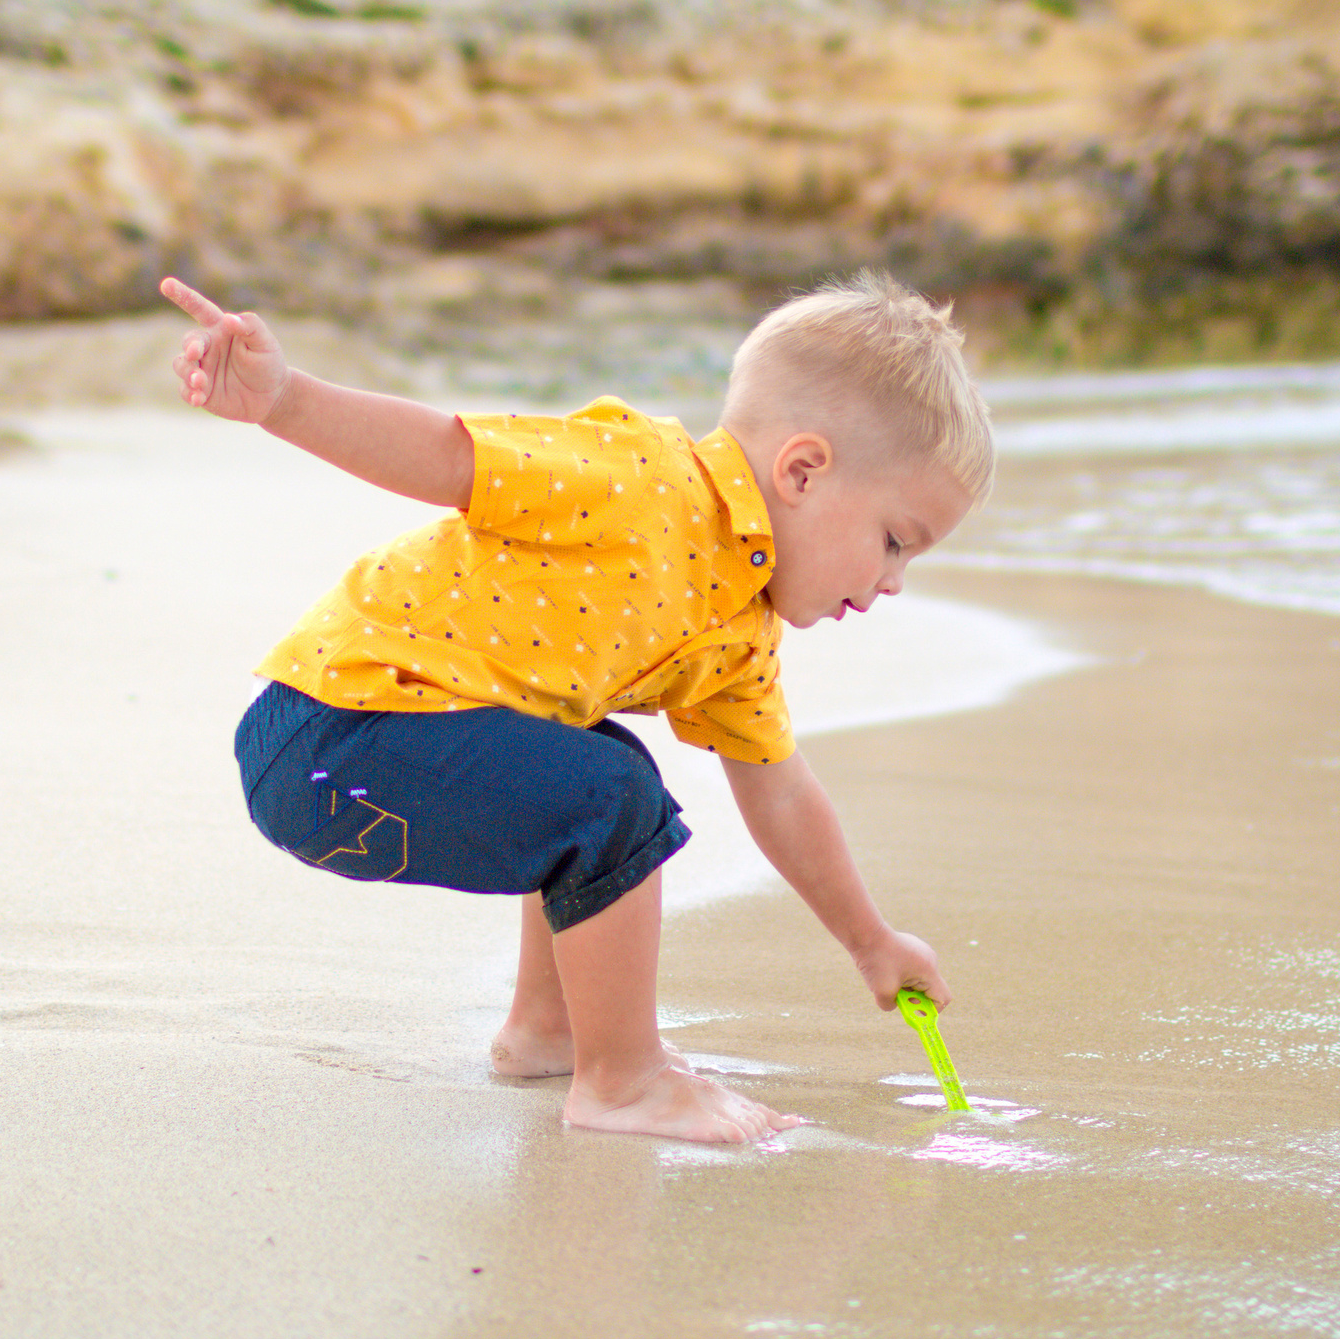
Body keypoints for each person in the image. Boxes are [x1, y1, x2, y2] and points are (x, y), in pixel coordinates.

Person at [161, 270, 993, 1144]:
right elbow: (449, 457)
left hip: (369, 760)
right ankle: (622, 1082)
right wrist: (284, 398)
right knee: (608, 792)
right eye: (894, 541)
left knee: (590, 768)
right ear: (803, 471)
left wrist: (870, 941)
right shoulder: (639, 479)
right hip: (332, 736)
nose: (894, 582)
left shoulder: (738, 634)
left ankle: (548, 1032)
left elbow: (779, 791)